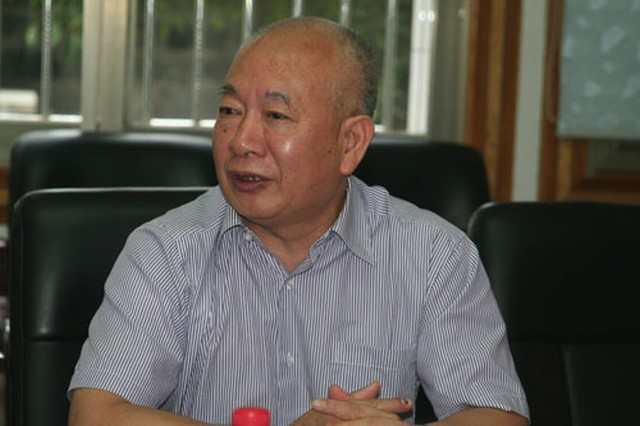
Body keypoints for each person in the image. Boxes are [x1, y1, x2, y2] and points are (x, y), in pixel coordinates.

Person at [68, 17, 529, 426]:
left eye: (276, 115)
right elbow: (96, 415)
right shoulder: (165, 251)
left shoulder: (432, 256)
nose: (242, 141)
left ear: (351, 143)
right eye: (230, 111)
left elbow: (495, 414)